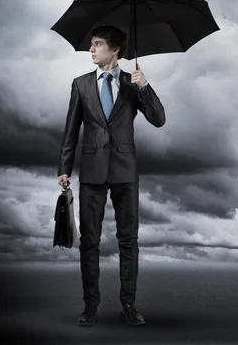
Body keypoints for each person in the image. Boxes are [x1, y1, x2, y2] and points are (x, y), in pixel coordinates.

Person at [57, 25, 165, 327]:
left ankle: (128, 304)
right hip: (91, 171)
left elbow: (159, 120)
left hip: (125, 172)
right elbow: (71, 130)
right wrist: (64, 168)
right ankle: (90, 306)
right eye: (91, 44)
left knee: (128, 241)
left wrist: (145, 86)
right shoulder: (80, 84)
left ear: (115, 50)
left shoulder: (133, 83)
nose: (91, 49)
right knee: (89, 242)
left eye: (98, 44)